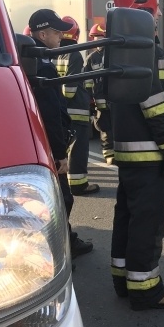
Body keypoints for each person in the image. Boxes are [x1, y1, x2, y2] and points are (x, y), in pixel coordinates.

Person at [109, 0, 164, 310]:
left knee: (126, 215)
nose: (161, 12)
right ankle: (146, 289)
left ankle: (123, 279)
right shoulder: (149, 50)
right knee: (148, 221)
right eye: (159, 4)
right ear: (146, 4)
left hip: (127, 151)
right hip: (148, 153)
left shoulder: (117, 47)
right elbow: (156, 105)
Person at [27, 9, 94, 258]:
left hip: (40, 140)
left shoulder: (37, 57)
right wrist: (59, 152)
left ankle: (65, 239)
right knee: (60, 199)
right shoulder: (42, 63)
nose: (60, 36)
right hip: (48, 143)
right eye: (56, 32)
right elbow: (51, 112)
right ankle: (58, 251)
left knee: (59, 197)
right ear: (42, 33)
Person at [56, 15, 100, 196]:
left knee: (66, 149)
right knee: (78, 149)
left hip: (64, 111)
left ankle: (67, 183)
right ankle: (79, 185)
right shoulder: (74, 54)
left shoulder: (56, 53)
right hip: (76, 112)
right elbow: (70, 89)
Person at [84, 22, 115, 164]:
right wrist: (90, 95)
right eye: (95, 37)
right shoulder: (91, 58)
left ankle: (119, 153)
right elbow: (87, 80)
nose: (96, 41)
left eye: (99, 37)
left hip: (116, 98)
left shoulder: (115, 54)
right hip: (101, 100)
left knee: (119, 125)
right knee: (105, 127)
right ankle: (109, 154)